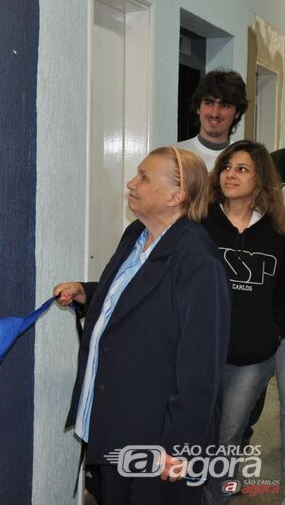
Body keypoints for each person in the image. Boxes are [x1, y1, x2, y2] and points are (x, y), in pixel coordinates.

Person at [54, 147, 230, 504]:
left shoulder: (198, 261)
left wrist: (176, 449)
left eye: (145, 178)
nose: (132, 184)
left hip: (154, 437)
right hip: (117, 420)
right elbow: (136, 297)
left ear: (176, 196)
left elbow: (200, 369)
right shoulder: (137, 233)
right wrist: (88, 293)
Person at [200, 140, 285, 503]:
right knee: (213, 432)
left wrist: (274, 329)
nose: (231, 174)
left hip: (259, 347)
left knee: (238, 429)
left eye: (243, 169)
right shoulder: (201, 223)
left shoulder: (277, 230)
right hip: (213, 348)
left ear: (261, 179)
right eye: (227, 167)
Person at [177, 69, 248, 169]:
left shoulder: (245, 161)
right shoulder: (175, 156)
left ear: (237, 113)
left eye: (224, 105)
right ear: (198, 108)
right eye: (209, 103)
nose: (215, 113)